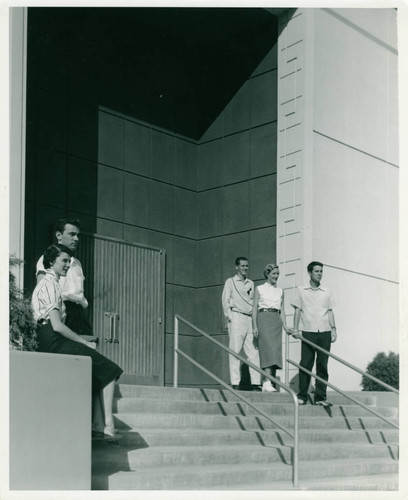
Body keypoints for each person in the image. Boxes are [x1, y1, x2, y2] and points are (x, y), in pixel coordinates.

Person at [32, 243, 123, 437]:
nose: (67, 265)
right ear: (51, 261)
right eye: (64, 261)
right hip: (51, 340)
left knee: (95, 370)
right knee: (110, 369)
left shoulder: (53, 284)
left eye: (69, 261)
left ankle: (98, 424)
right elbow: (56, 325)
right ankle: (108, 425)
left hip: (51, 339)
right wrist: (83, 342)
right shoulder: (48, 285)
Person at [36, 218, 95, 342]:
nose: (76, 239)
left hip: (80, 314)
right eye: (72, 234)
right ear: (59, 235)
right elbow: (42, 290)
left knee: (87, 353)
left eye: (78, 235)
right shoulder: (47, 260)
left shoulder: (77, 263)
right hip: (63, 312)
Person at [291, 261, 337, 406]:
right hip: (308, 331)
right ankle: (302, 395)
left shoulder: (326, 291)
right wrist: (295, 329)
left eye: (321, 271)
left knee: (323, 365)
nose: (319, 274)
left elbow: (330, 311)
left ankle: (321, 397)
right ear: (309, 273)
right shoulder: (301, 290)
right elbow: (297, 310)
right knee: (306, 363)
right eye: (317, 271)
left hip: (324, 332)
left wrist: (334, 329)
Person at [222, 257, 261, 391]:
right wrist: (230, 317)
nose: (245, 268)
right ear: (236, 267)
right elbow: (225, 300)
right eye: (242, 266)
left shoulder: (251, 283)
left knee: (254, 351)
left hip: (249, 318)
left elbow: (253, 302)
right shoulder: (230, 281)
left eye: (247, 266)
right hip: (237, 316)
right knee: (235, 350)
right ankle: (235, 382)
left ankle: (256, 383)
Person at [252, 264, 289, 392]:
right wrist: (254, 326)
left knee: (275, 352)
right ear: (267, 274)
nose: (276, 276)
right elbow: (254, 309)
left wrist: (285, 325)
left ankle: (268, 382)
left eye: (277, 274)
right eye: (273, 273)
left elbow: (282, 310)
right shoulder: (259, 289)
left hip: (276, 321)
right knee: (268, 350)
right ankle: (267, 382)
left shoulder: (280, 291)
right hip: (264, 319)